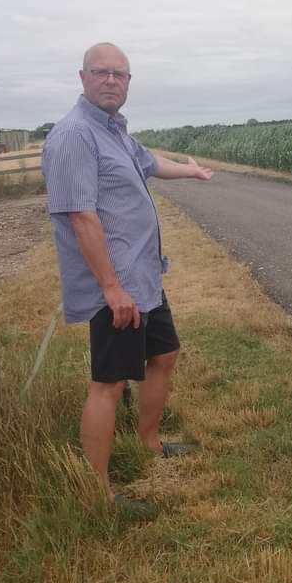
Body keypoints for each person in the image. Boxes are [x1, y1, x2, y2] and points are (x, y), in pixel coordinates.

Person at [42, 42, 213, 502]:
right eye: (101, 72)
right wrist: (112, 288)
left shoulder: (114, 131)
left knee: (165, 355)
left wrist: (192, 172)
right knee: (109, 383)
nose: (111, 81)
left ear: (129, 82)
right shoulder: (75, 135)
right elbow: (81, 216)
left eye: (120, 74)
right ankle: (97, 494)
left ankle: (149, 443)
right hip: (115, 286)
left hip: (143, 278)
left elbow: (151, 163)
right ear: (83, 77)